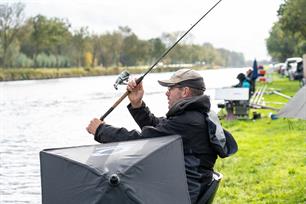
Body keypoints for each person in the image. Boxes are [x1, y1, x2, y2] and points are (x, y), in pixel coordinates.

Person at [87, 68, 236, 203]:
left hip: (181, 196)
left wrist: (100, 130)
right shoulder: (197, 116)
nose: (167, 93)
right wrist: (137, 104)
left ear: (185, 92)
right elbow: (159, 128)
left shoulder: (189, 121)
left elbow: (141, 140)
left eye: (170, 88)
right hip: (181, 190)